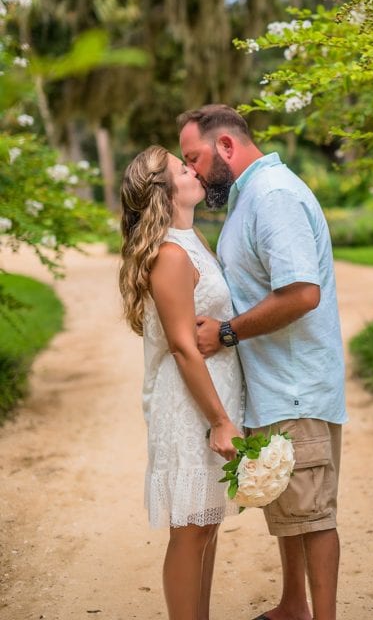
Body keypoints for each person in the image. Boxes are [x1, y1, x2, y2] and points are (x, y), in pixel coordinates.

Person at [177, 105, 348, 620]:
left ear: (226, 146)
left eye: (195, 158)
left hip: (296, 386)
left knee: (312, 515)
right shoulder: (251, 194)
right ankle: (293, 605)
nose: (194, 172)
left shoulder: (272, 195)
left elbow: (301, 294)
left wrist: (227, 332)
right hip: (277, 385)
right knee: (291, 508)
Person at [119, 144, 243, 620]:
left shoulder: (193, 241)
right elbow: (182, 346)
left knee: (206, 525)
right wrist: (220, 420)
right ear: (163, 192)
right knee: (190, 529)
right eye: (181, 167)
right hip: (191, 405)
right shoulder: (170, 254)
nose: (193, 169)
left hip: (212, 396)